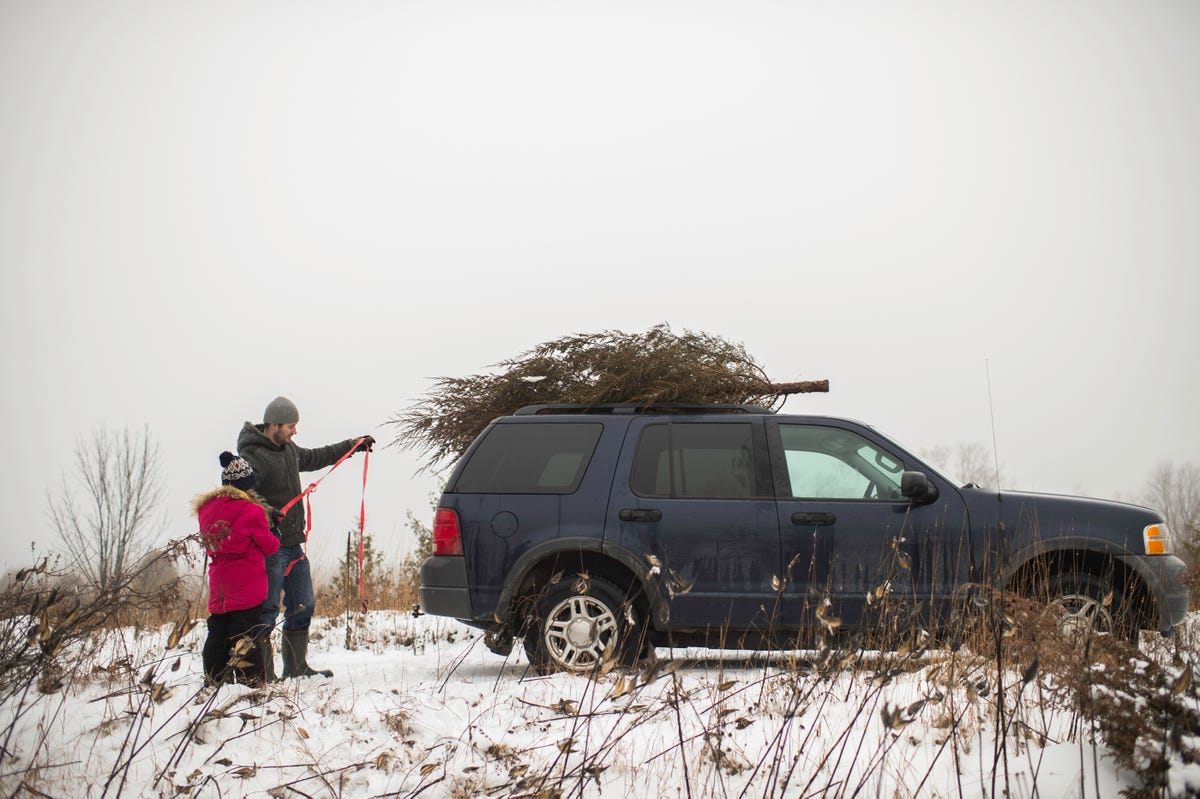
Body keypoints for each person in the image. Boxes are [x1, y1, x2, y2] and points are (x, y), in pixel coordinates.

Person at [237, 396, 373, 679]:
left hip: (293, 544)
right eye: (290, 426)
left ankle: (297, 668)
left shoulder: (289, 449)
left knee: (304, 604)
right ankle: (263, 675)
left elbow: (315, 457)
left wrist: (352, 445)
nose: (294, 431)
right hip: (269, 546)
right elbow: (245, 494)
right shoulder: (252, 456)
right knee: (267, 610)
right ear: (273, 424)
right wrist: (269, 512)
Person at [195, 451, 280, 686]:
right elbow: (269, 546)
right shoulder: (252, 511)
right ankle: (251, 684)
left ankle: (215, 680)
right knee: (244, 637)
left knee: (217, 633)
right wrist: (273, 531)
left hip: (220, 584)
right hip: (247, 585)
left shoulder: (206, 511)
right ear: (245, 485)